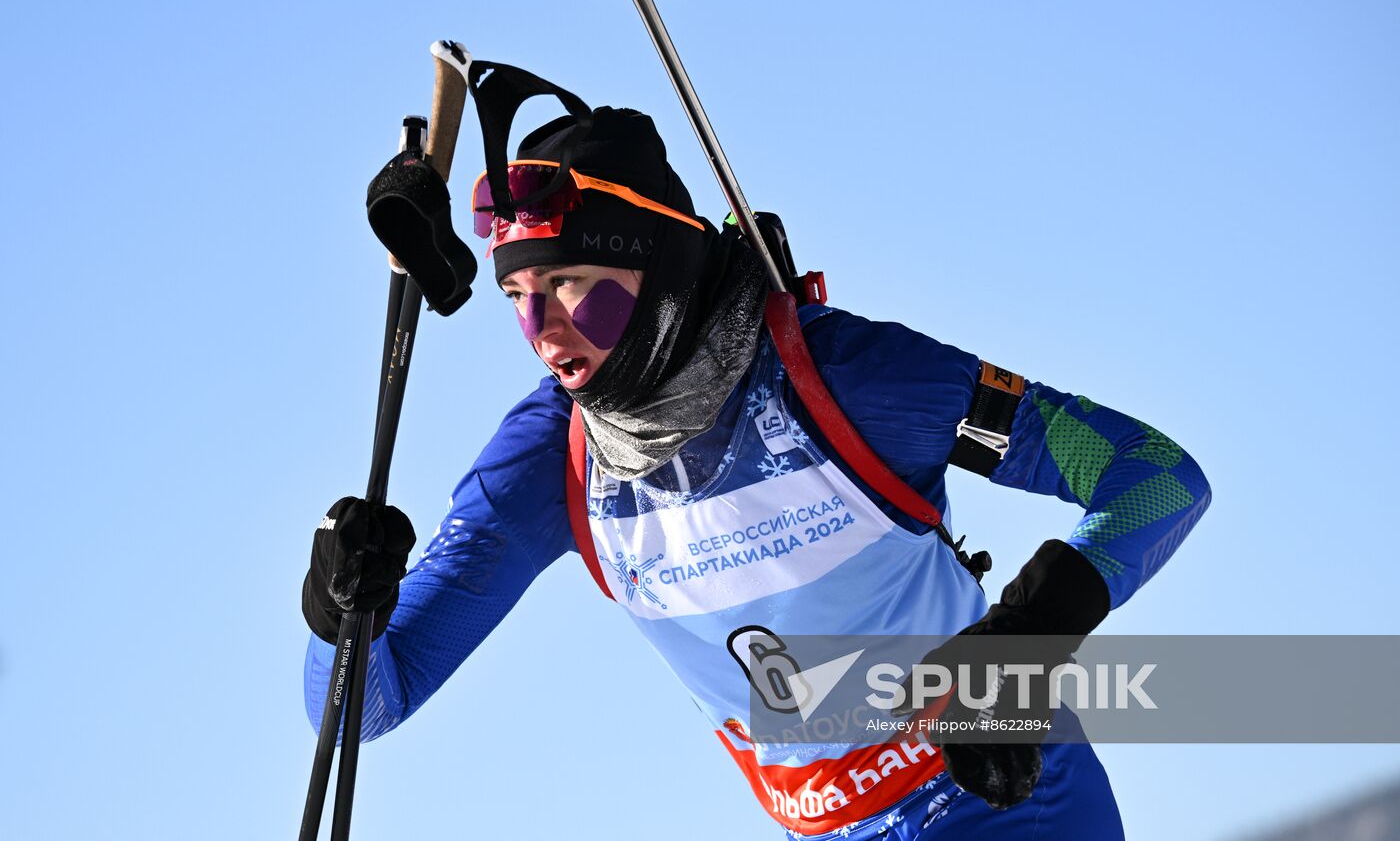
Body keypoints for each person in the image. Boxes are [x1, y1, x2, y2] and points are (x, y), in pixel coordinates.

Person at [303, 104, 1211, 840]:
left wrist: (1028, 635)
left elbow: (1156, 475)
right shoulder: (551, 459)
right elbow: (360, 710)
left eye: (571, 283)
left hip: (1005, 804)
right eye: (518, 295)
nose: (542, 330)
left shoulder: (849, 378)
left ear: (649, 262)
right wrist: (338, 606)